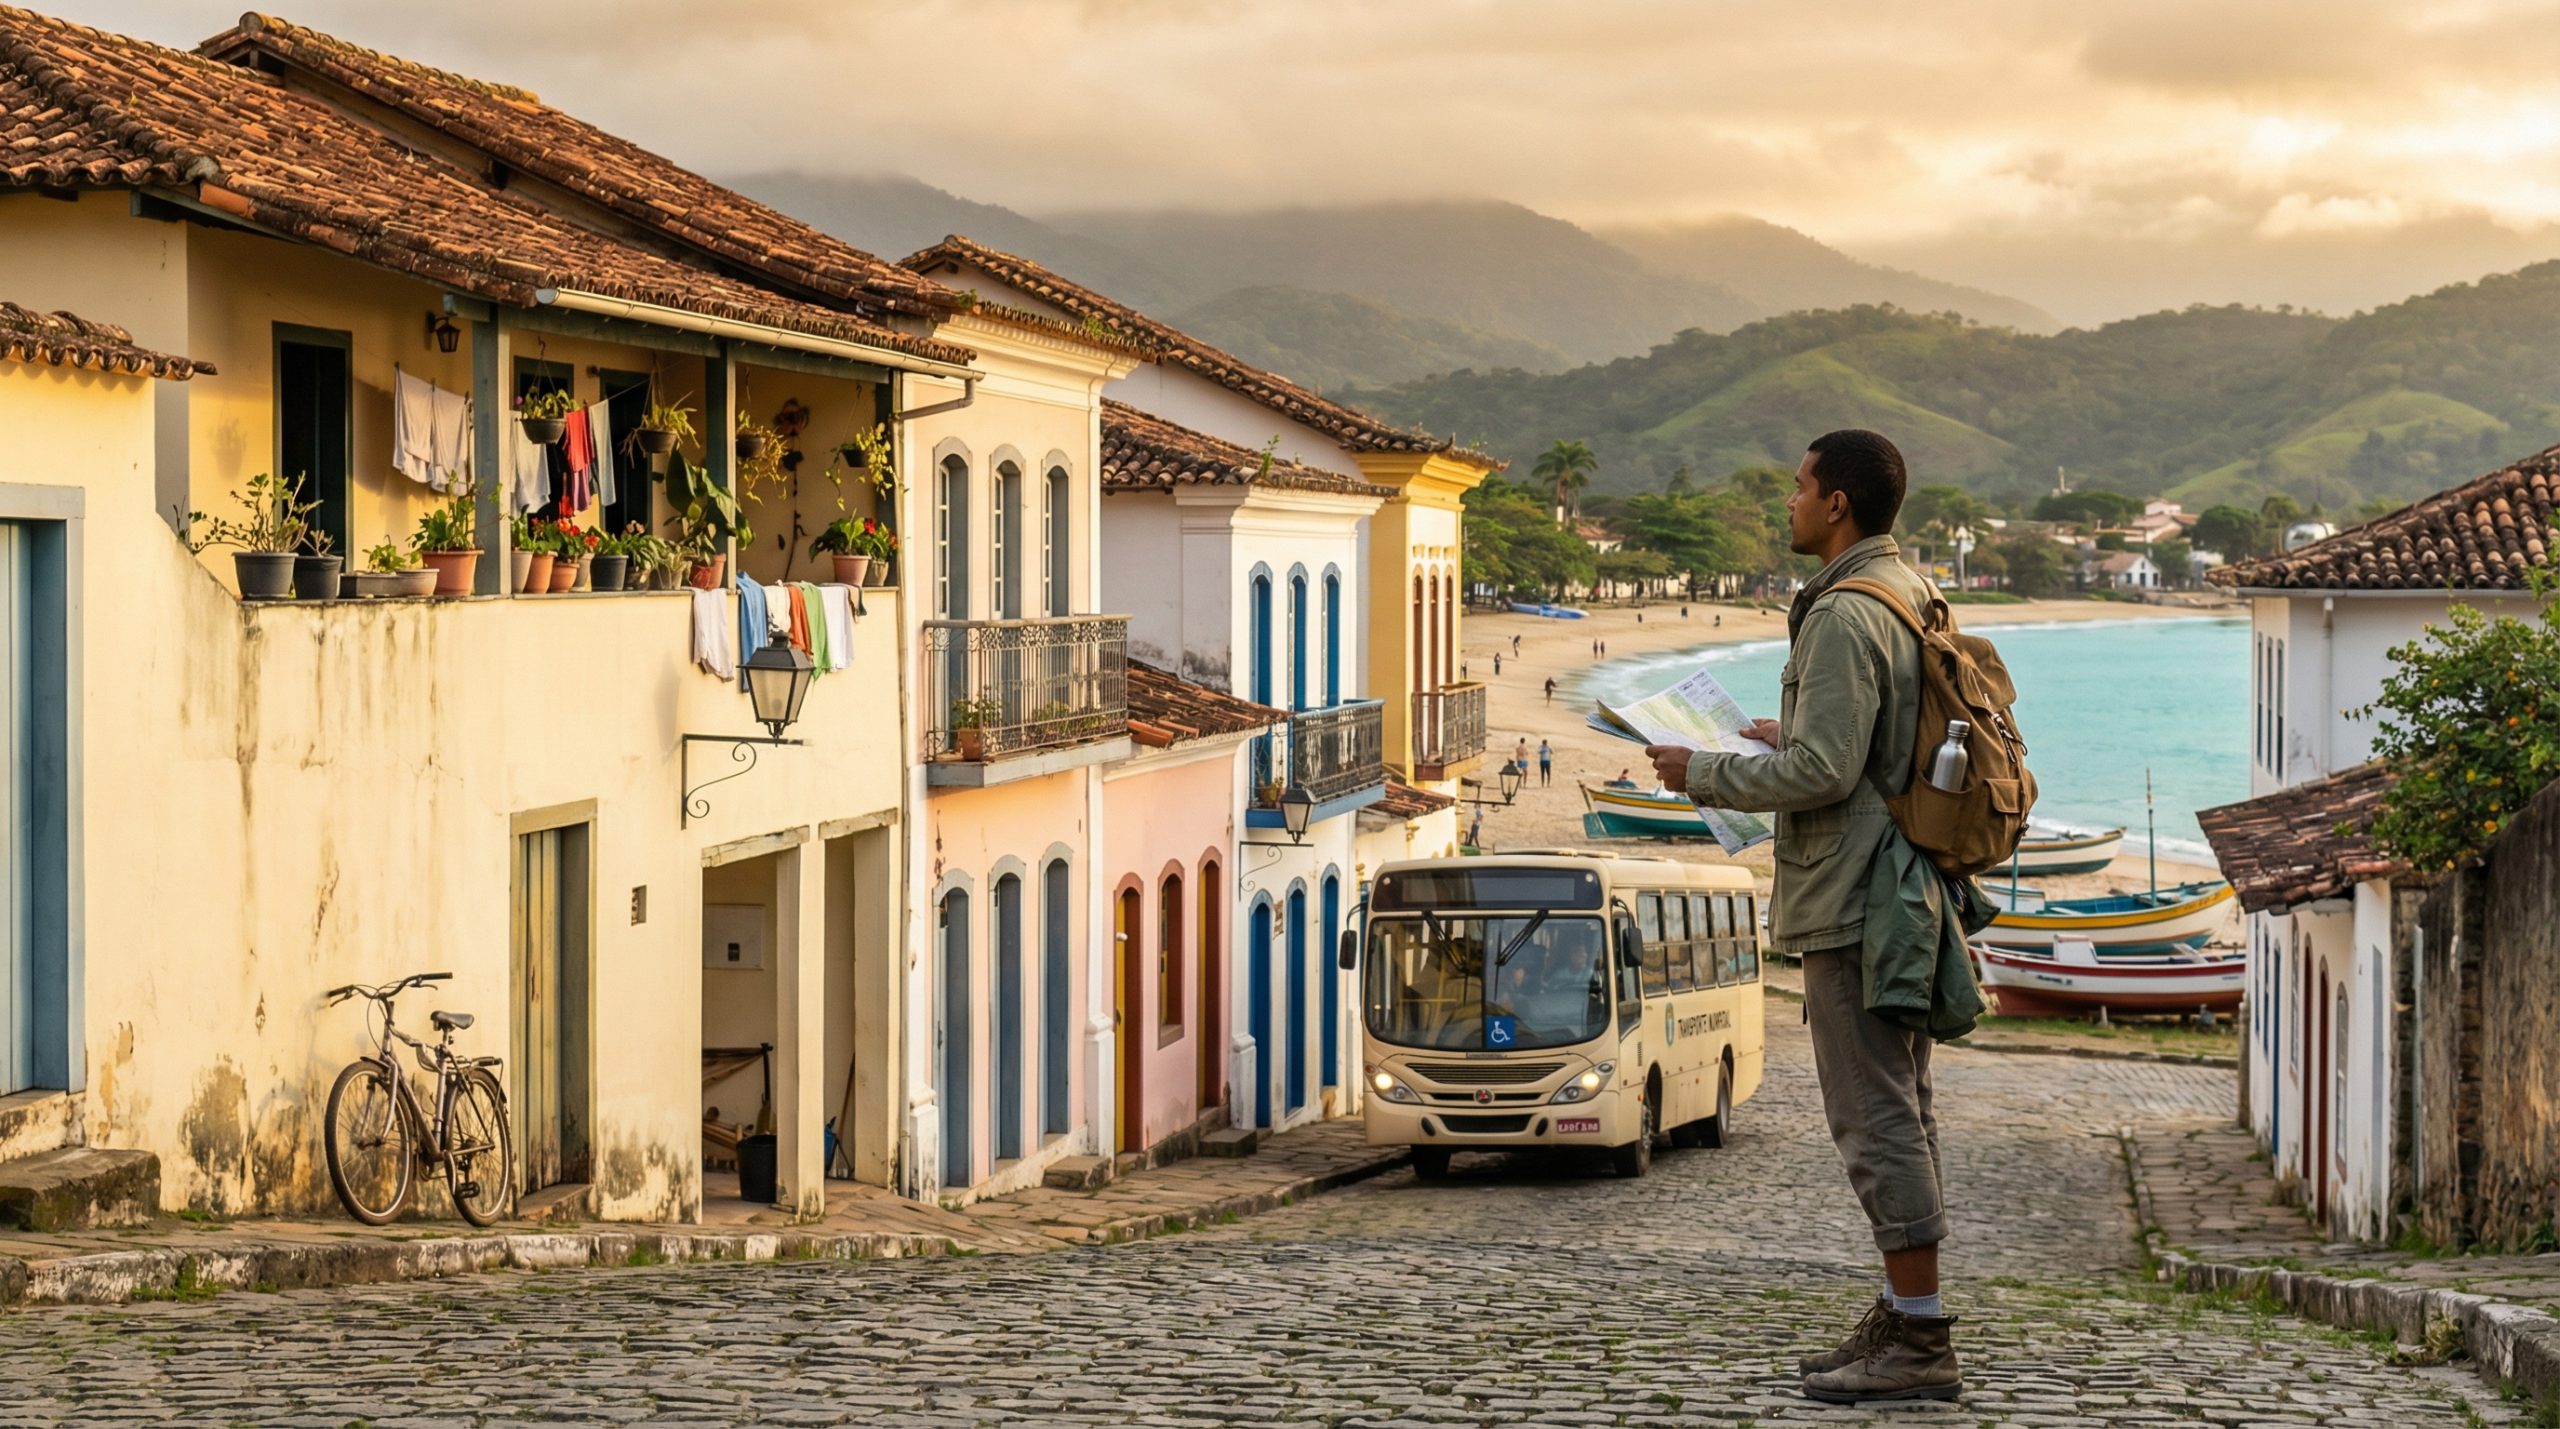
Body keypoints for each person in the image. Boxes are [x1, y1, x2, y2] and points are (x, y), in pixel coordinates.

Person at [1643, 428, 1964, 1404]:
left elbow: (1822, 773)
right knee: (1902, 1107)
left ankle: (1917, 1339)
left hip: (1854, 895)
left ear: (1836, 505)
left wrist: (1701, 770)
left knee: (1874, 1118)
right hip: (1901, 882)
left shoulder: (1840, 615)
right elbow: (1859, 745)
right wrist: (1795, 733)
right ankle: (1902, 1312)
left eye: (1798, 487)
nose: (1788, 502)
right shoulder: (1906, 590)